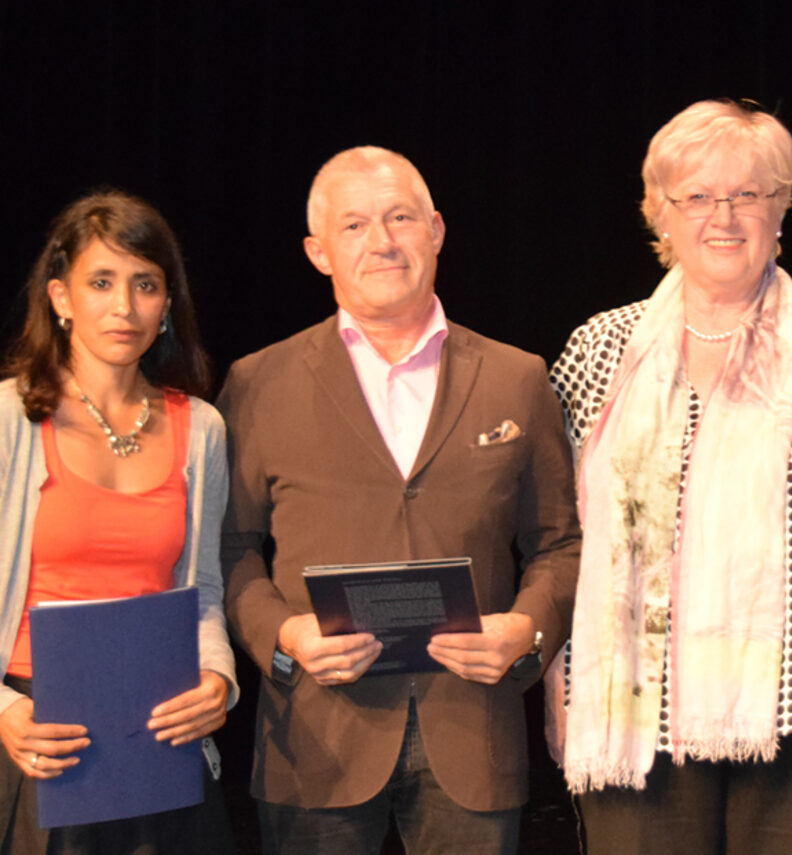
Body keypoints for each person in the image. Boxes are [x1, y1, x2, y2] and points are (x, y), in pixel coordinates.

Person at [549, 99, 792, 855]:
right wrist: (560, 686)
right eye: (697, 196)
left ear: (782, 209)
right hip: (634, 712)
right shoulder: (599, 348)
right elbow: (560, 538)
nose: (724, 215)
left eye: (748, 194)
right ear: (661, 216)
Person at [219, 146, 580, 854]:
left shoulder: (517, 377)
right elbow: (229, 550)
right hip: (315, 743)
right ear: (317, 252)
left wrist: (527, 633)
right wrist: (286, 637)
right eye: (353, 226)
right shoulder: (259, 381)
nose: (382, 240)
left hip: (472, 733)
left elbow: (559, 545)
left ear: (437, 231)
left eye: (400, 217)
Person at [0, 191, 237, 852]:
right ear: (60, 297)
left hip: (161, 736)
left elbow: (206, 595)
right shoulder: (7, 421)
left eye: (145, 285)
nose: (124, 307)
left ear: (168, 303)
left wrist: (217, 681)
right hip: (35, 739)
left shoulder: (202, 428)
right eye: (101, 282)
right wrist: (4, 711)